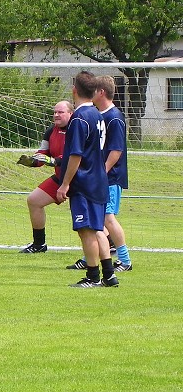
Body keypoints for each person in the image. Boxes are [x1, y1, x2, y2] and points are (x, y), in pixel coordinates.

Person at [57, 71, 118, 288]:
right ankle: (109, 275)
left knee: (86, 230)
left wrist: (65, 184)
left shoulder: (79, 119)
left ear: (74, 90)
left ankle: (92, 277)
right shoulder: (97, 114)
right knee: (98, 228)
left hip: (84, 182)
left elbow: (76, 155)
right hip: (99, 180)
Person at [66, 75, 132, 271]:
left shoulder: (114, 117)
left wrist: (100, 172)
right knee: (96, 220)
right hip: (99, 178)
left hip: (109, 177)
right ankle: (91, 257)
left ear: (100, 92)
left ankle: (125, 260)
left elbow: (116, 150)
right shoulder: (98, 115)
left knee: (107, 219)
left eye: (95, 90)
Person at [17, 100, 74, 253]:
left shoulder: (77, 129)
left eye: (60, 112)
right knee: (34, 200)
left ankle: (110, 243)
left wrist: (55, 161)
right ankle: (39, 244)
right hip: (60, 178)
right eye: (55, 112)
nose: (56, 115)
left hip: (80, 179)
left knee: (92, 214)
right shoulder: (51, 131)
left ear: (71, 113)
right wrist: (32, 161)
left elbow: (74, 156)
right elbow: (43, 153)